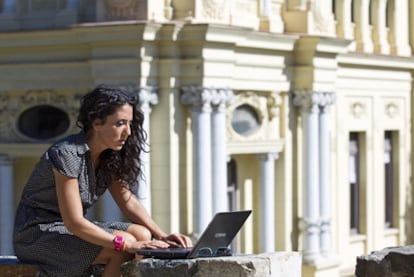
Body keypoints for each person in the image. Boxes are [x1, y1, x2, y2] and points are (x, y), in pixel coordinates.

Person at [13, 85, 192, 276]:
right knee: (121, 246)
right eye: (120, 123)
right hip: (37, 235)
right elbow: (74, 222)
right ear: (97, 122)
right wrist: (126, 244)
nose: (128, 132)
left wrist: (162, 235)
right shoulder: (66, 153)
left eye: (130, 123)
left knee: (142, 234)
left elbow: (127, 200)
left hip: (70, 231)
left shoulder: (109, 156)